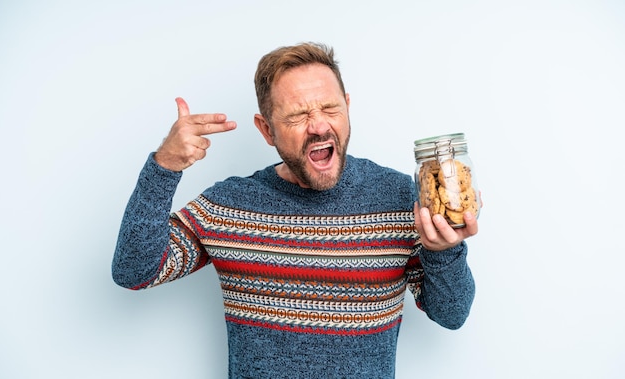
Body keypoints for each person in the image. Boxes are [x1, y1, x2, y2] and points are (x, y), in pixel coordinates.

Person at [112, 42, 478, 379]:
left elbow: (451, 314)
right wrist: (164, 168)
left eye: (330, 108)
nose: (319, 126)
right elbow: (134, 271)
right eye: (297, 115)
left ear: (348, 107)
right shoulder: (228, 206)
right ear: (266, 129)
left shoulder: (401, 197)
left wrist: (444, 252)